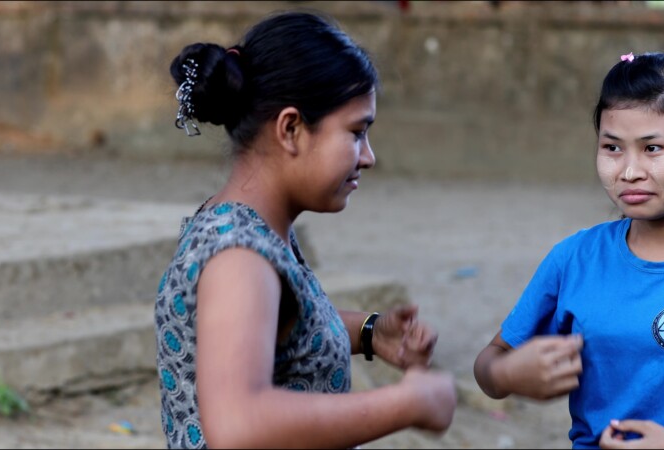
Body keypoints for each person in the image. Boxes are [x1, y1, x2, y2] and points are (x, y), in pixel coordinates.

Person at [154, 10, 457, 449]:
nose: (368, 156)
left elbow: (279, 331)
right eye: (356, 132)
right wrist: (402, 404)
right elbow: (238, 424)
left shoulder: (249, 230)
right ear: (291, 129)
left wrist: (371, 332)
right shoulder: (239, 256)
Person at [473, 51, 664, 449]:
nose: (629, 171)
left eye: (652, 148)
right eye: (612, 148)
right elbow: (490, 363)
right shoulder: (575, 259)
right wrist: (508, 375)